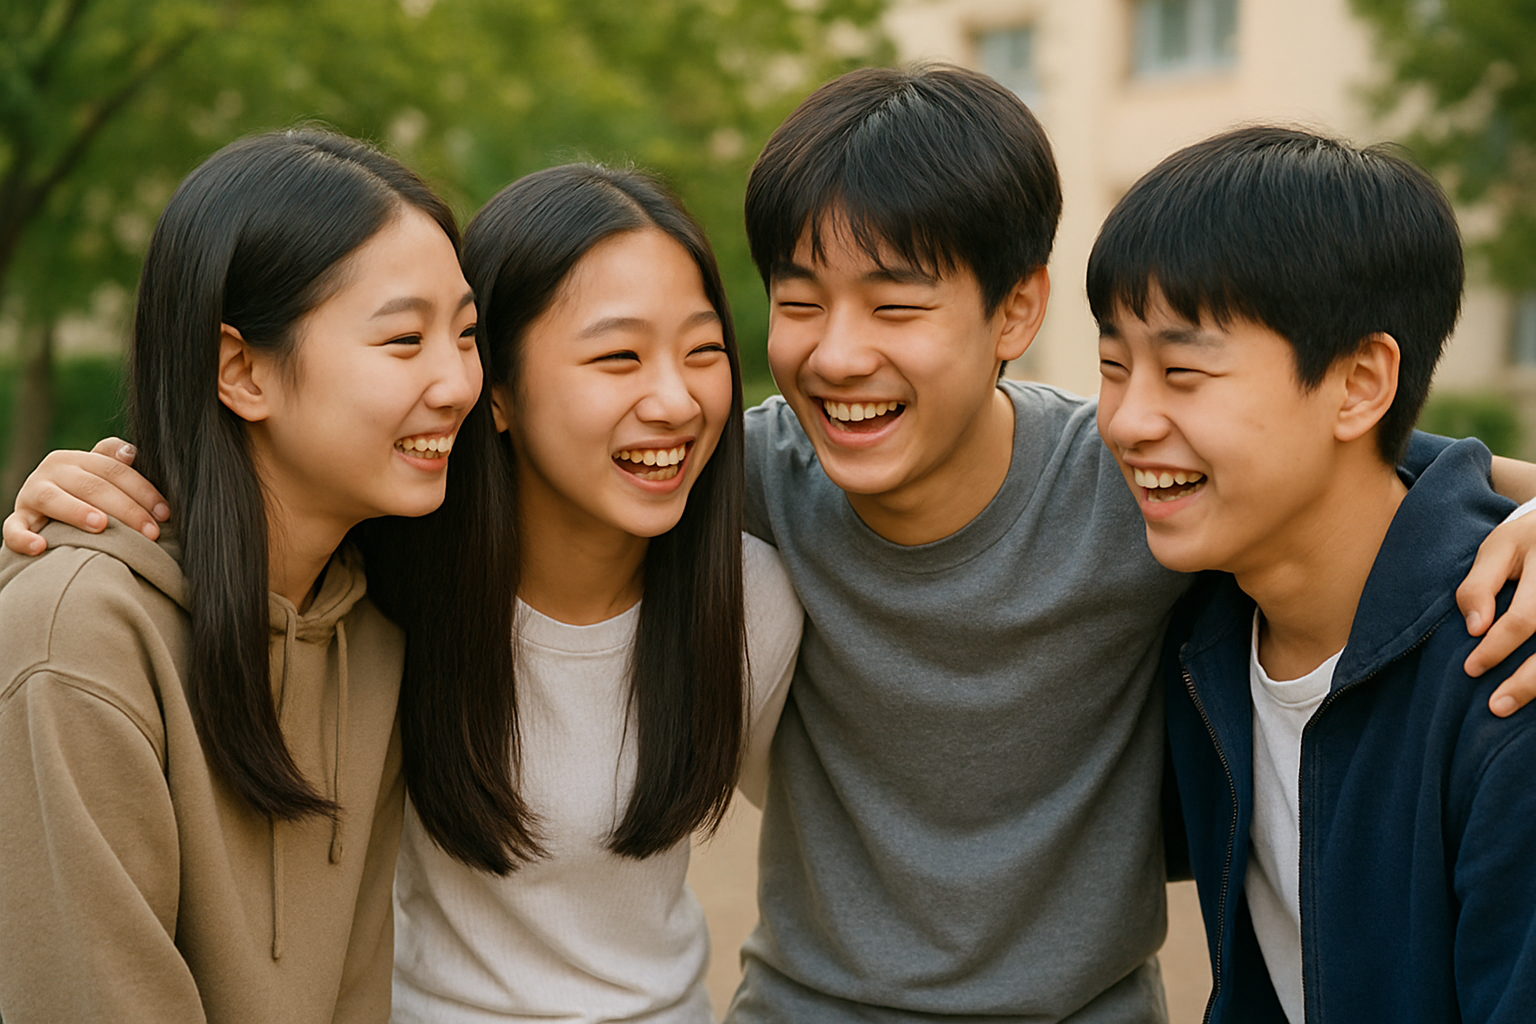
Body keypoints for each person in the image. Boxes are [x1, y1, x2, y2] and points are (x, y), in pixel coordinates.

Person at [11, 69, 1536, 1024]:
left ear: (1012, 314)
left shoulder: (1141, 498)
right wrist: (110, 475)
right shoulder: (721, 486)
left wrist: (1508, 508)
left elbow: (1353, 488)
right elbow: (314, 478)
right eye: (798, 298)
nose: (831, 352)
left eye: (896, 299)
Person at [0, 128, 511, 1023]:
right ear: (240, 369)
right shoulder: (81, 643)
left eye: (466, 335)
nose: (457, 382)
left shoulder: (372, 634)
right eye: (403, 339)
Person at [1089, 126, 1536, 1023]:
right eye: (1112, 367)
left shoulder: (1507, 681)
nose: (1129, 421)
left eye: (1183, 371)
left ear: (1361, 382)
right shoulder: (1203, 616)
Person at [388, 165, 801, 1022]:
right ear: (494, 389)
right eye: (619, 356)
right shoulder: (388, 588)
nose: (676, 400)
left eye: (703, 351)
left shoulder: (753, 601)